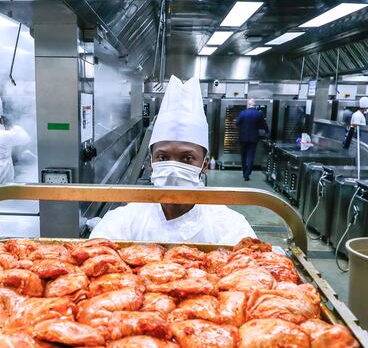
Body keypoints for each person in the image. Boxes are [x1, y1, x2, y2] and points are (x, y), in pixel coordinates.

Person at [90, 75, 256, 244]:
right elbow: (96, 249)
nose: (173, 169)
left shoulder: (230, 228)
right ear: (150, 163)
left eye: (186, 158)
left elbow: (254, 264)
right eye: (163, 157)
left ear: (204, 165)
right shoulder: (124, 222)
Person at [235, 99, 268, 181]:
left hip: (243, 138)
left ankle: (244, 172)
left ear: (248, 104)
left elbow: (237, 123)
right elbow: (264, 125)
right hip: (253, 138)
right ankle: (247, 174)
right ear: (254, 105)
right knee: (251, 156)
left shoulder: (243, 113)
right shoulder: (258, 114)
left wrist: (242, 127)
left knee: (243, 156)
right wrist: (267, 132)